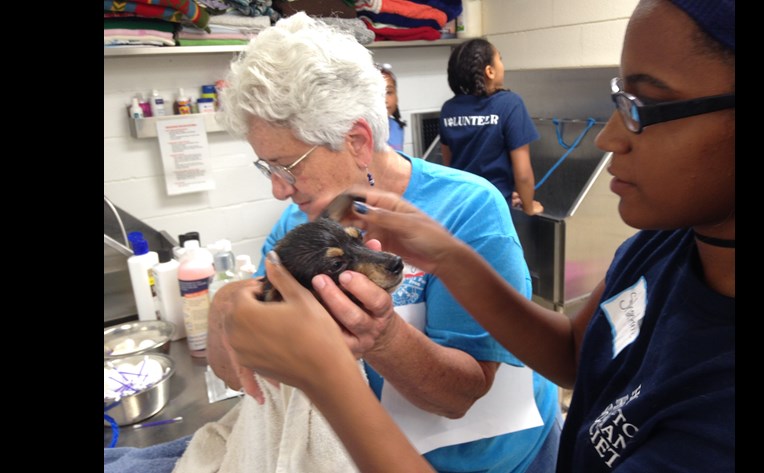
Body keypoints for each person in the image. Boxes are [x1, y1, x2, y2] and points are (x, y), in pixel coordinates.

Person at [222, 0, 736, 471]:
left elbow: (460, 393)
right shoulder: (658, 248)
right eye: (617, 99)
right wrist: (449, 257)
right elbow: (577, 355)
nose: (607, 136)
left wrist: (330, 374)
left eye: (643, 107)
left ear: (355, 138)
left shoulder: (716, 418)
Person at [200, 11, 560, 473]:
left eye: (287, 166)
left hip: (489, 461)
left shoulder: (468, 209)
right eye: (267, 168)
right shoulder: (297, 225)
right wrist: (223, 312)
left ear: (356, 140)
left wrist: (383, 338)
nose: (278, 189)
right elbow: (244, 374)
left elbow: (461, 395)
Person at [439, 38, 544, 216]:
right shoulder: (510, 103)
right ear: (490, 71)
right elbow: (523, 173)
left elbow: (449, 166)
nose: (503, 65)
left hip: (460, 208)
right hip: (495, 210)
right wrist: (528, 207)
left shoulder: (449, 108)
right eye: (500, 59)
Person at [378, 62, 407, 151]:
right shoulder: (361, 132)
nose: (385, 100)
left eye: (389, 92)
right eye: (378, 93)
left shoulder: (398, 127)